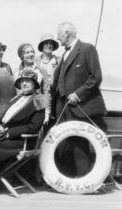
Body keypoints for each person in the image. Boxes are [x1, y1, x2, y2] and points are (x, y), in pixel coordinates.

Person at [52, 22, 107, 177]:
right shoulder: (63, 54)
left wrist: (78, 94)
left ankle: (84, 180)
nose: (57, 37)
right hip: (62, 107)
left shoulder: (87, 49)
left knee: (79, 143)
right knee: (63, 143)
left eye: (59, 34)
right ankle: (67, 179)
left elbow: (96, 77)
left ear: (67, 33)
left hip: (79, 107)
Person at [35, 33, 60, 126]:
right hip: (38, 97)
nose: (49, 45)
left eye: (51, 43)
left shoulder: (59, 60)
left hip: (54, 97)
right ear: (42, 45)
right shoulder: (35, 60)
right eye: (46, 43)